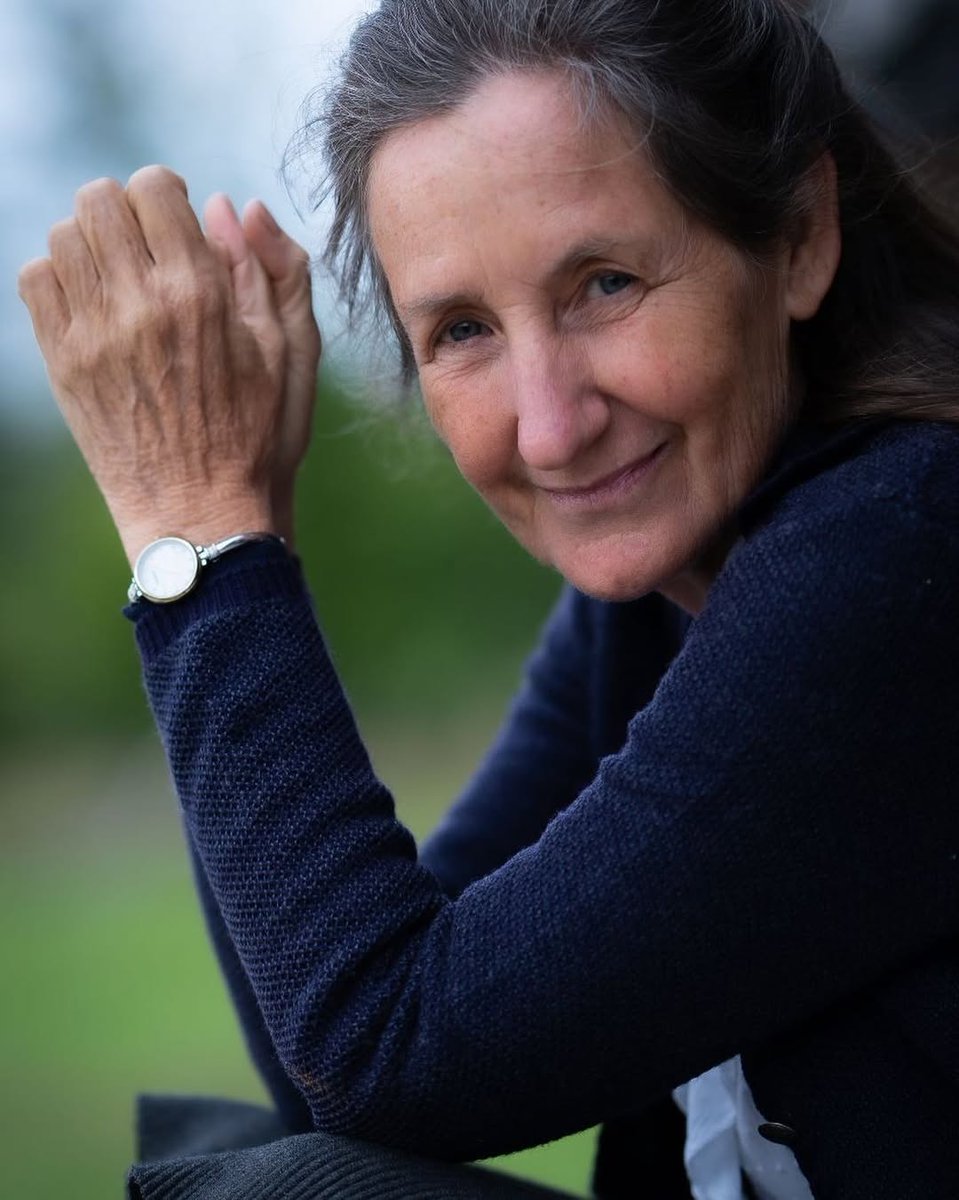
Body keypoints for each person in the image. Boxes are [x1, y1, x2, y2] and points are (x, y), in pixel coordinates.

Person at [16, 0, 959, 1197]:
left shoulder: (906, 545)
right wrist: (234, 520)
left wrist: (194, 526)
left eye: (604, 284)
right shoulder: (652, 602)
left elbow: (393, 1050)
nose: (549, 426)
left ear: (798, 237)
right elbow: (327, 1061)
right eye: (461, 329)